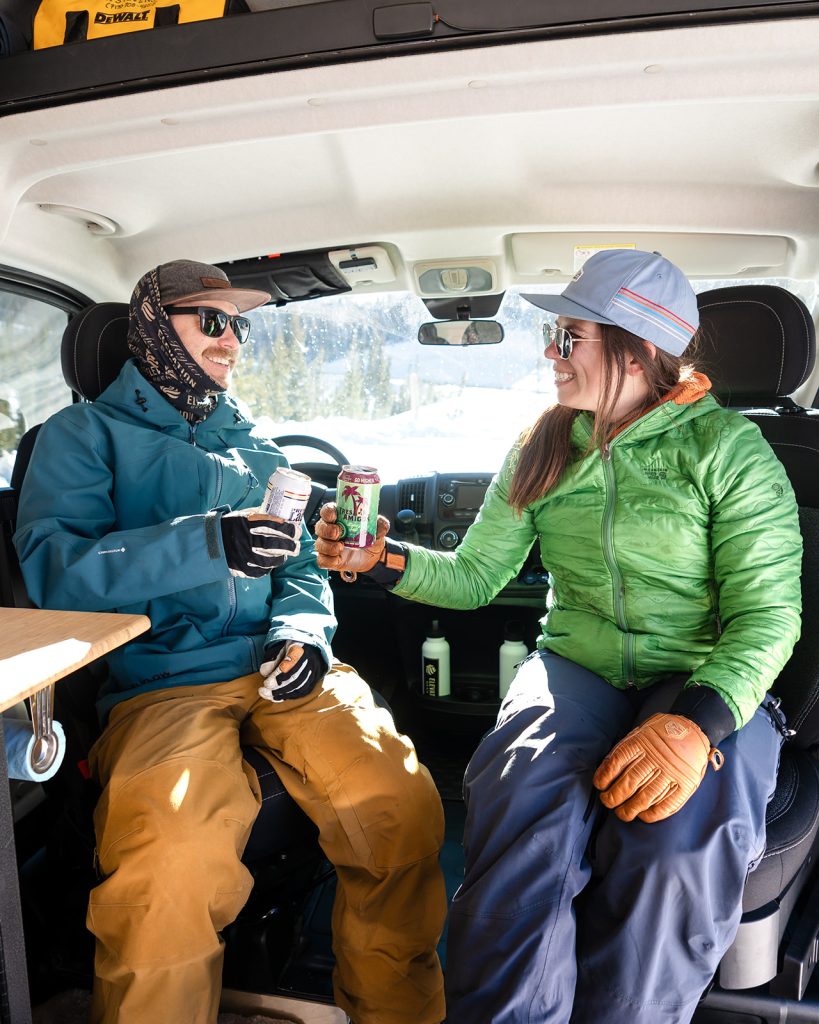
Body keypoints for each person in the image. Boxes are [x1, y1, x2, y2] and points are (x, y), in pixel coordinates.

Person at [314, 249, 803, 1024]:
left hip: (703, 676)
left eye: (569, 336)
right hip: (576, 667)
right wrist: (381, 560)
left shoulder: (726, 451)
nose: (551, 352)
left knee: (669, 845)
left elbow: (767, 614)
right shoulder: (542, 444)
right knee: (518, 801)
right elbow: (474, 577)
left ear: (637, 349)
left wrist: (694, 726)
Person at [14, 259, 447, 1024]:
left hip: (285, 672)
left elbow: (303, 569)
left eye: (239, 326)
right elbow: (57, 572)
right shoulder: (83, 437)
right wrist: (208, 542)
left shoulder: (258, 449)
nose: (232, 341)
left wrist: (303, 634)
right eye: (212, 321)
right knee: (169, 864)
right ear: (153, 328)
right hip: (163, 683)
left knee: (400, 803)